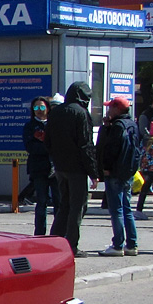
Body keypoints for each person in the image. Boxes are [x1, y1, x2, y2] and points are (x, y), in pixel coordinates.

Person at [46, 81, 98, 257]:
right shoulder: (81, 114)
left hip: (60, 166)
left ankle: (54, 241)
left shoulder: (56, 112)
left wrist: (57, 159)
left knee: (64, 205)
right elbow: (86, 145)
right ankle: (71, 244)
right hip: (77, 168)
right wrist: (93, 172)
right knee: (78, 206)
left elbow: (48, 142)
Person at [95, 97, 140, 256]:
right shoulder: (132, 124)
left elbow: (110, 149)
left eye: (110, 108)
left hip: (114, 172)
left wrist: (105, 167)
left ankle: (118, 244)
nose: (108, 111)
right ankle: (132, 244)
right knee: (127, 208)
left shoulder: (117, 127)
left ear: (117, 109)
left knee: (116, 209)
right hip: (128, 172)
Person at [23, 96, 58, 236]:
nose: (39, 110)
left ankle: (58, 233)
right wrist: (48, 148)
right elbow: (30, 147)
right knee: (41, 202)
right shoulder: (30, 126)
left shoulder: (54, 124)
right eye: (36, 108)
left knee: (59, 202)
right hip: (38, 168)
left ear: (47, 108)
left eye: (42, 107)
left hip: (55, 168)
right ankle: (40, 234)